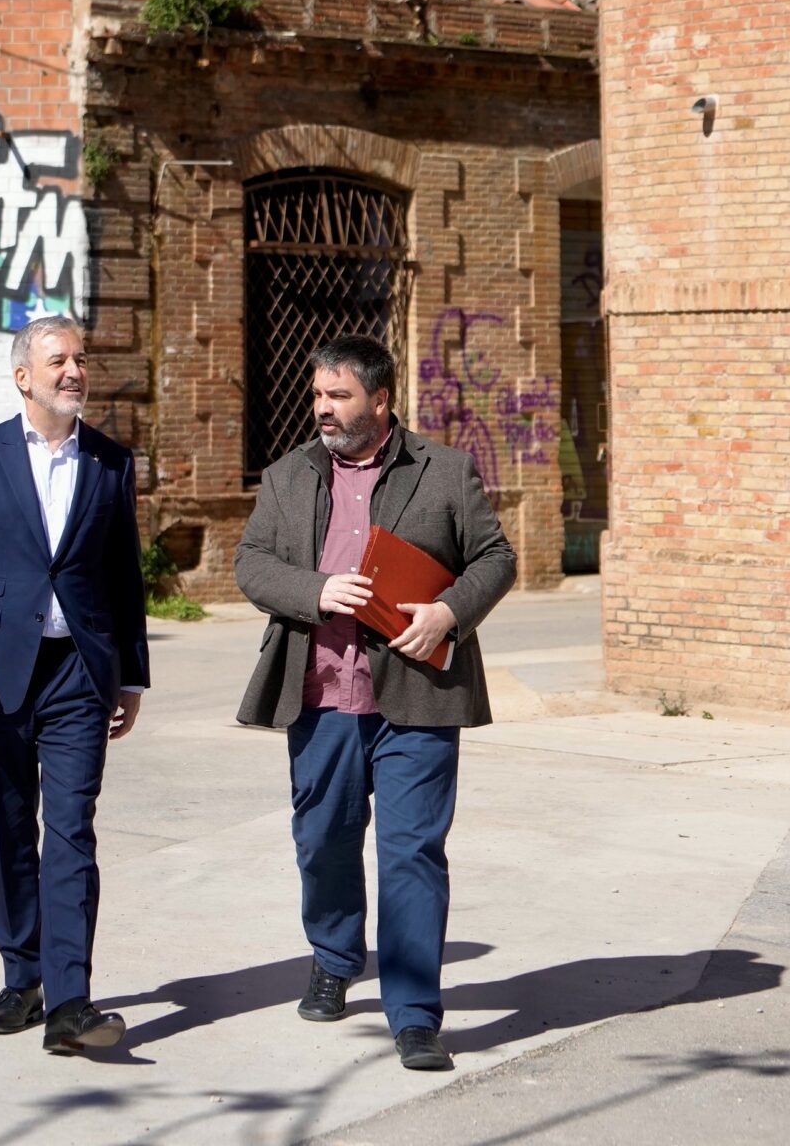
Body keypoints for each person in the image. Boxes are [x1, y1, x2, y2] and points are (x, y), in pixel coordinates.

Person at [234, 333, 516, 1072]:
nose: (323, 409)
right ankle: (333, 958)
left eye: (340, 396)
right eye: (318, 395)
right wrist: (315, 589)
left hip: (419, 696)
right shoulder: (288, 475)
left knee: (412, 853)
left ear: (381, 400)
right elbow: (252, 563)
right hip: (321, 695)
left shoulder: (444, 470)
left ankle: (416, 1014)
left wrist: (450, 613)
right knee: (323, 840)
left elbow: (496, 557)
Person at [0, 315, 149, 1056]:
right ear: (24, 377)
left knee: (73, 831)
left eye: (81, 358)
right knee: (10, 828)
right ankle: (23, 980)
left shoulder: (111, 462)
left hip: (80, 673)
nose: (74, 370)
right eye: (59, 360)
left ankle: (70, 1001)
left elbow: (123, 576)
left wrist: (132, 674)